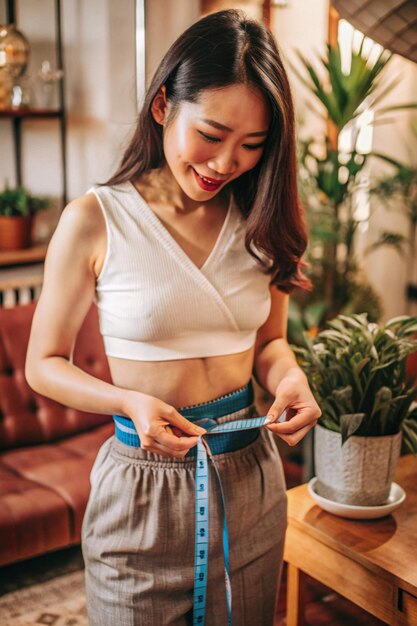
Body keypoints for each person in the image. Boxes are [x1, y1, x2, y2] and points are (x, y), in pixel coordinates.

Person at [25, 8, 321, 626]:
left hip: (251, 476)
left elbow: (269, 343)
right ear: (163, 105)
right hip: (142, 483)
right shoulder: (95, 219)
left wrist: (289, 377)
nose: (224, 163)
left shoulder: (263, 220)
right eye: (211, 135)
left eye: (252, 146)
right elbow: (42, 365)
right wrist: (128, 402)